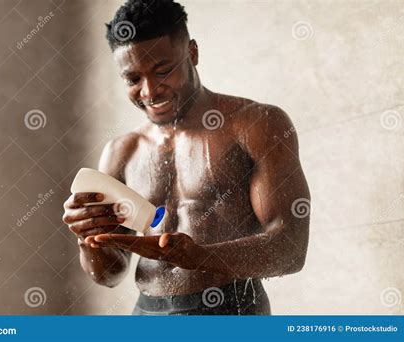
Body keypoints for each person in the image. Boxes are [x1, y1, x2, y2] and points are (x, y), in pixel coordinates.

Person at [62, 0, 310, 315]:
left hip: (231, 310)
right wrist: (88, 238)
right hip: (146, 313)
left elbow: (291, 250)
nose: (150, 91)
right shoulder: (121, 152)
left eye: (163, 70)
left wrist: (198, 256)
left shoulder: (256, 124)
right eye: (133, 79)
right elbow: (109, 275)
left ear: (192, 53)